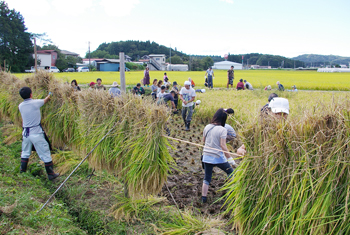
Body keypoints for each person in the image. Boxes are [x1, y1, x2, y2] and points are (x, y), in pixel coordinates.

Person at [201, 108, 246, 203]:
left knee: (207, 178)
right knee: (230, 172)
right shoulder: (222, 129)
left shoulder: (207, 127)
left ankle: (203, 198)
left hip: (206, 156)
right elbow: (223, 145)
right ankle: (231, 191)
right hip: (218, 157)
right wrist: (230, 159)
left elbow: (203, 141)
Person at [18, 87, 59, 180]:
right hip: (36, 132)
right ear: (31, 94)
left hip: (25, 133)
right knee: (45, 152)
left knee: (25, 152)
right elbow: (46, 100)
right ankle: (51, 174)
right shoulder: (35, 103)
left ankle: (22, 171)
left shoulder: (20, 106)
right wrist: (50, 94)